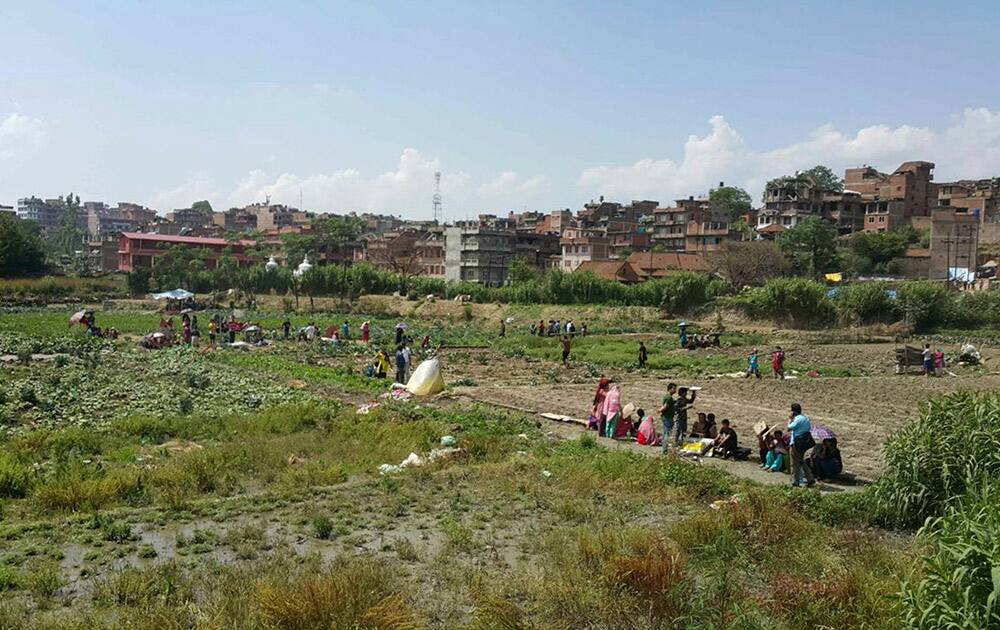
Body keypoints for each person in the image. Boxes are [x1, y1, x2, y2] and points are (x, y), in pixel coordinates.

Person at [788, 403, 815, 487]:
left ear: (793, 411)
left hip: (796, 443)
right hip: (804, 443)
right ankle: (810, 479)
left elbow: (789, 427)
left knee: (794, 462)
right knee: (801, 461)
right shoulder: (806, 418)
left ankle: (795, 481)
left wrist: (790, 419)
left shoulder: (797, 419)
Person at [659, 383, 677, 453]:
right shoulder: (669, 397)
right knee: (667, 433)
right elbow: (665, 406)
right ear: (670, 389)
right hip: (668, 417)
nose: (675, 390)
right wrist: (660, 410)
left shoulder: (667, 397)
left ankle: (664, 449)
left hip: (666, 417)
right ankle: (665, 450)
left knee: (665, 433)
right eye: (674, 388)